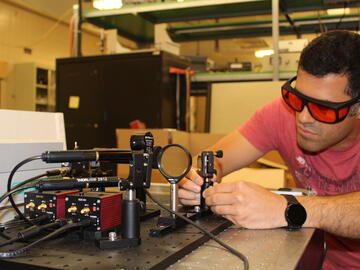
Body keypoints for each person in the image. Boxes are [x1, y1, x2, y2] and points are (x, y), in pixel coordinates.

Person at [178, 30, 360, 270]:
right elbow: (213, 159)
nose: (303, 118)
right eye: (297, 99)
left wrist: (286, 208)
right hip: (316, 259)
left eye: (323, 109)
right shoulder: (282, 114)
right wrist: (197, 178)